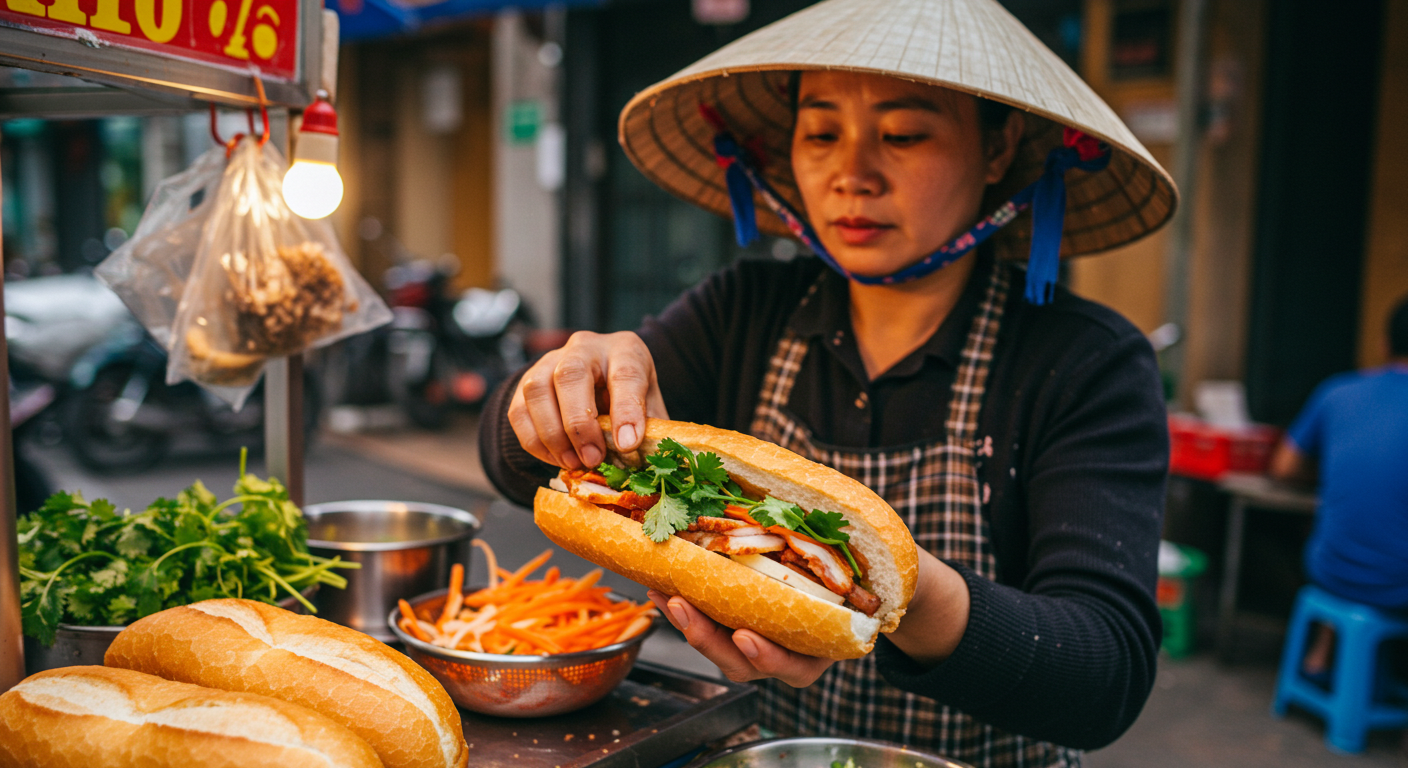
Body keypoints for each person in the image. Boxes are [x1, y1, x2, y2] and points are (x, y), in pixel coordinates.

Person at [480, 1, 1176, 765]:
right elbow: (518, 476)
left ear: (998, 146)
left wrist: (881, 593)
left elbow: (1105, 677)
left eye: (905, 134)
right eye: (819, 133)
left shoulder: (1085, 361)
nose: (853, 174)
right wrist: (551, 401)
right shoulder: (741, 309)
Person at [1270, 297, 1408, 677]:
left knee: (1349, 530)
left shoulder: (1337, 391)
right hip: (1398, 585)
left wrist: (1335, 471)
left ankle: (1322, 653)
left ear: (1383, 344)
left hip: (1329, 567)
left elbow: (1282, 467)